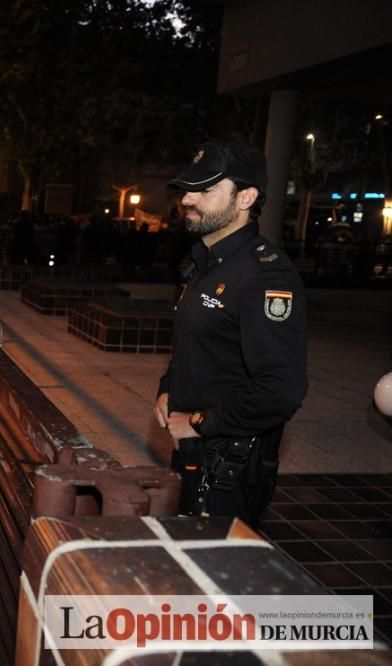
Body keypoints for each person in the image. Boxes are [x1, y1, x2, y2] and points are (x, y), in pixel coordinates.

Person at [153, 141, 308, 528]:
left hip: (229, 467)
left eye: (205, 190)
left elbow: (280, 389)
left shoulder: (265, 276)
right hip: (192, 448)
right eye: (189, 188)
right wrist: (169, 385)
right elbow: (198, 341)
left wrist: (200, 422)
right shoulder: (204, 261)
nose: (188, 198)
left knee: (215, 580)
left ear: (246, 198)